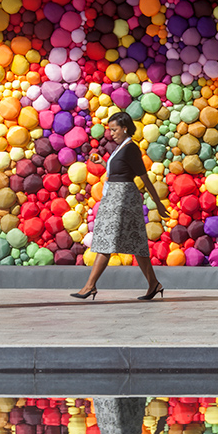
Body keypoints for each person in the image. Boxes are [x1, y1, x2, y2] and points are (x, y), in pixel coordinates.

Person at [71, 111, 169, 301]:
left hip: (123, 199)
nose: (112, 133)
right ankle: (153, 284)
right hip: (116, 197)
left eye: (115, 129)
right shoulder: (121, 148)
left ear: (125, 128)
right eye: (110, 130)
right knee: (135, 242)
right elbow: (120, 170)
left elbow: (143, 177)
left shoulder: (131, 148)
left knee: (107, 240)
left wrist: (158, 203)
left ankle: (90, 286)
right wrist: (104, 163)